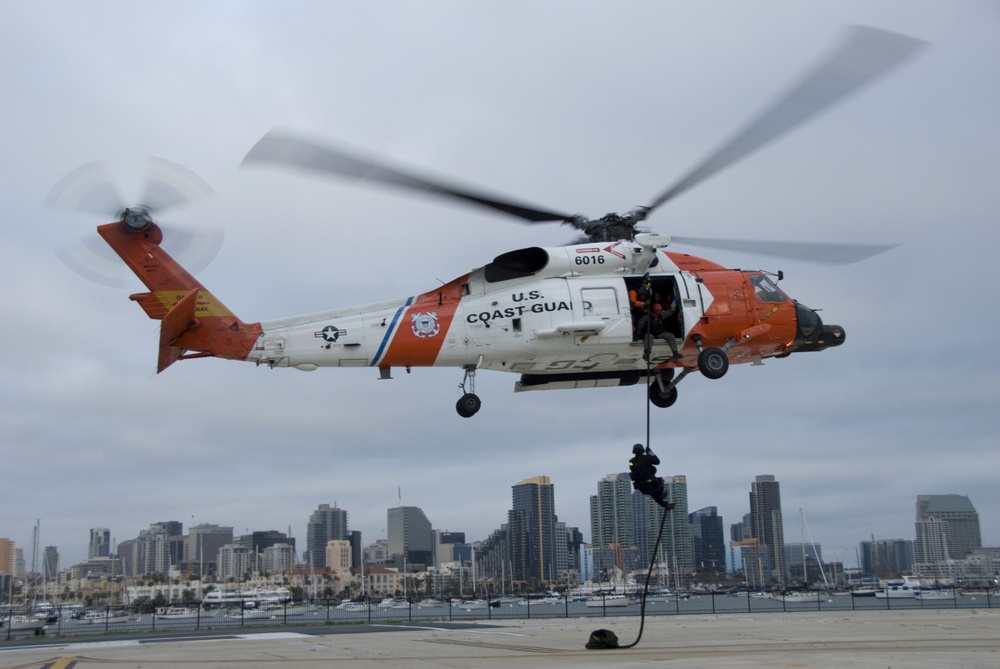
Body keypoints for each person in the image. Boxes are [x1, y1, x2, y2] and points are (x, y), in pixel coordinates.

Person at [628, 443, 676, 510]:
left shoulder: (631, 461)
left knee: (654, 494)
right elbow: (657, 461)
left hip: (642, 486)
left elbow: (632, 468)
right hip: (653, 483)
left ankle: (664, 502)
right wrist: (650, 452)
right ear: (642, 450)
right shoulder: (647, 457)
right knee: (659, 483)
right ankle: (662, 499)